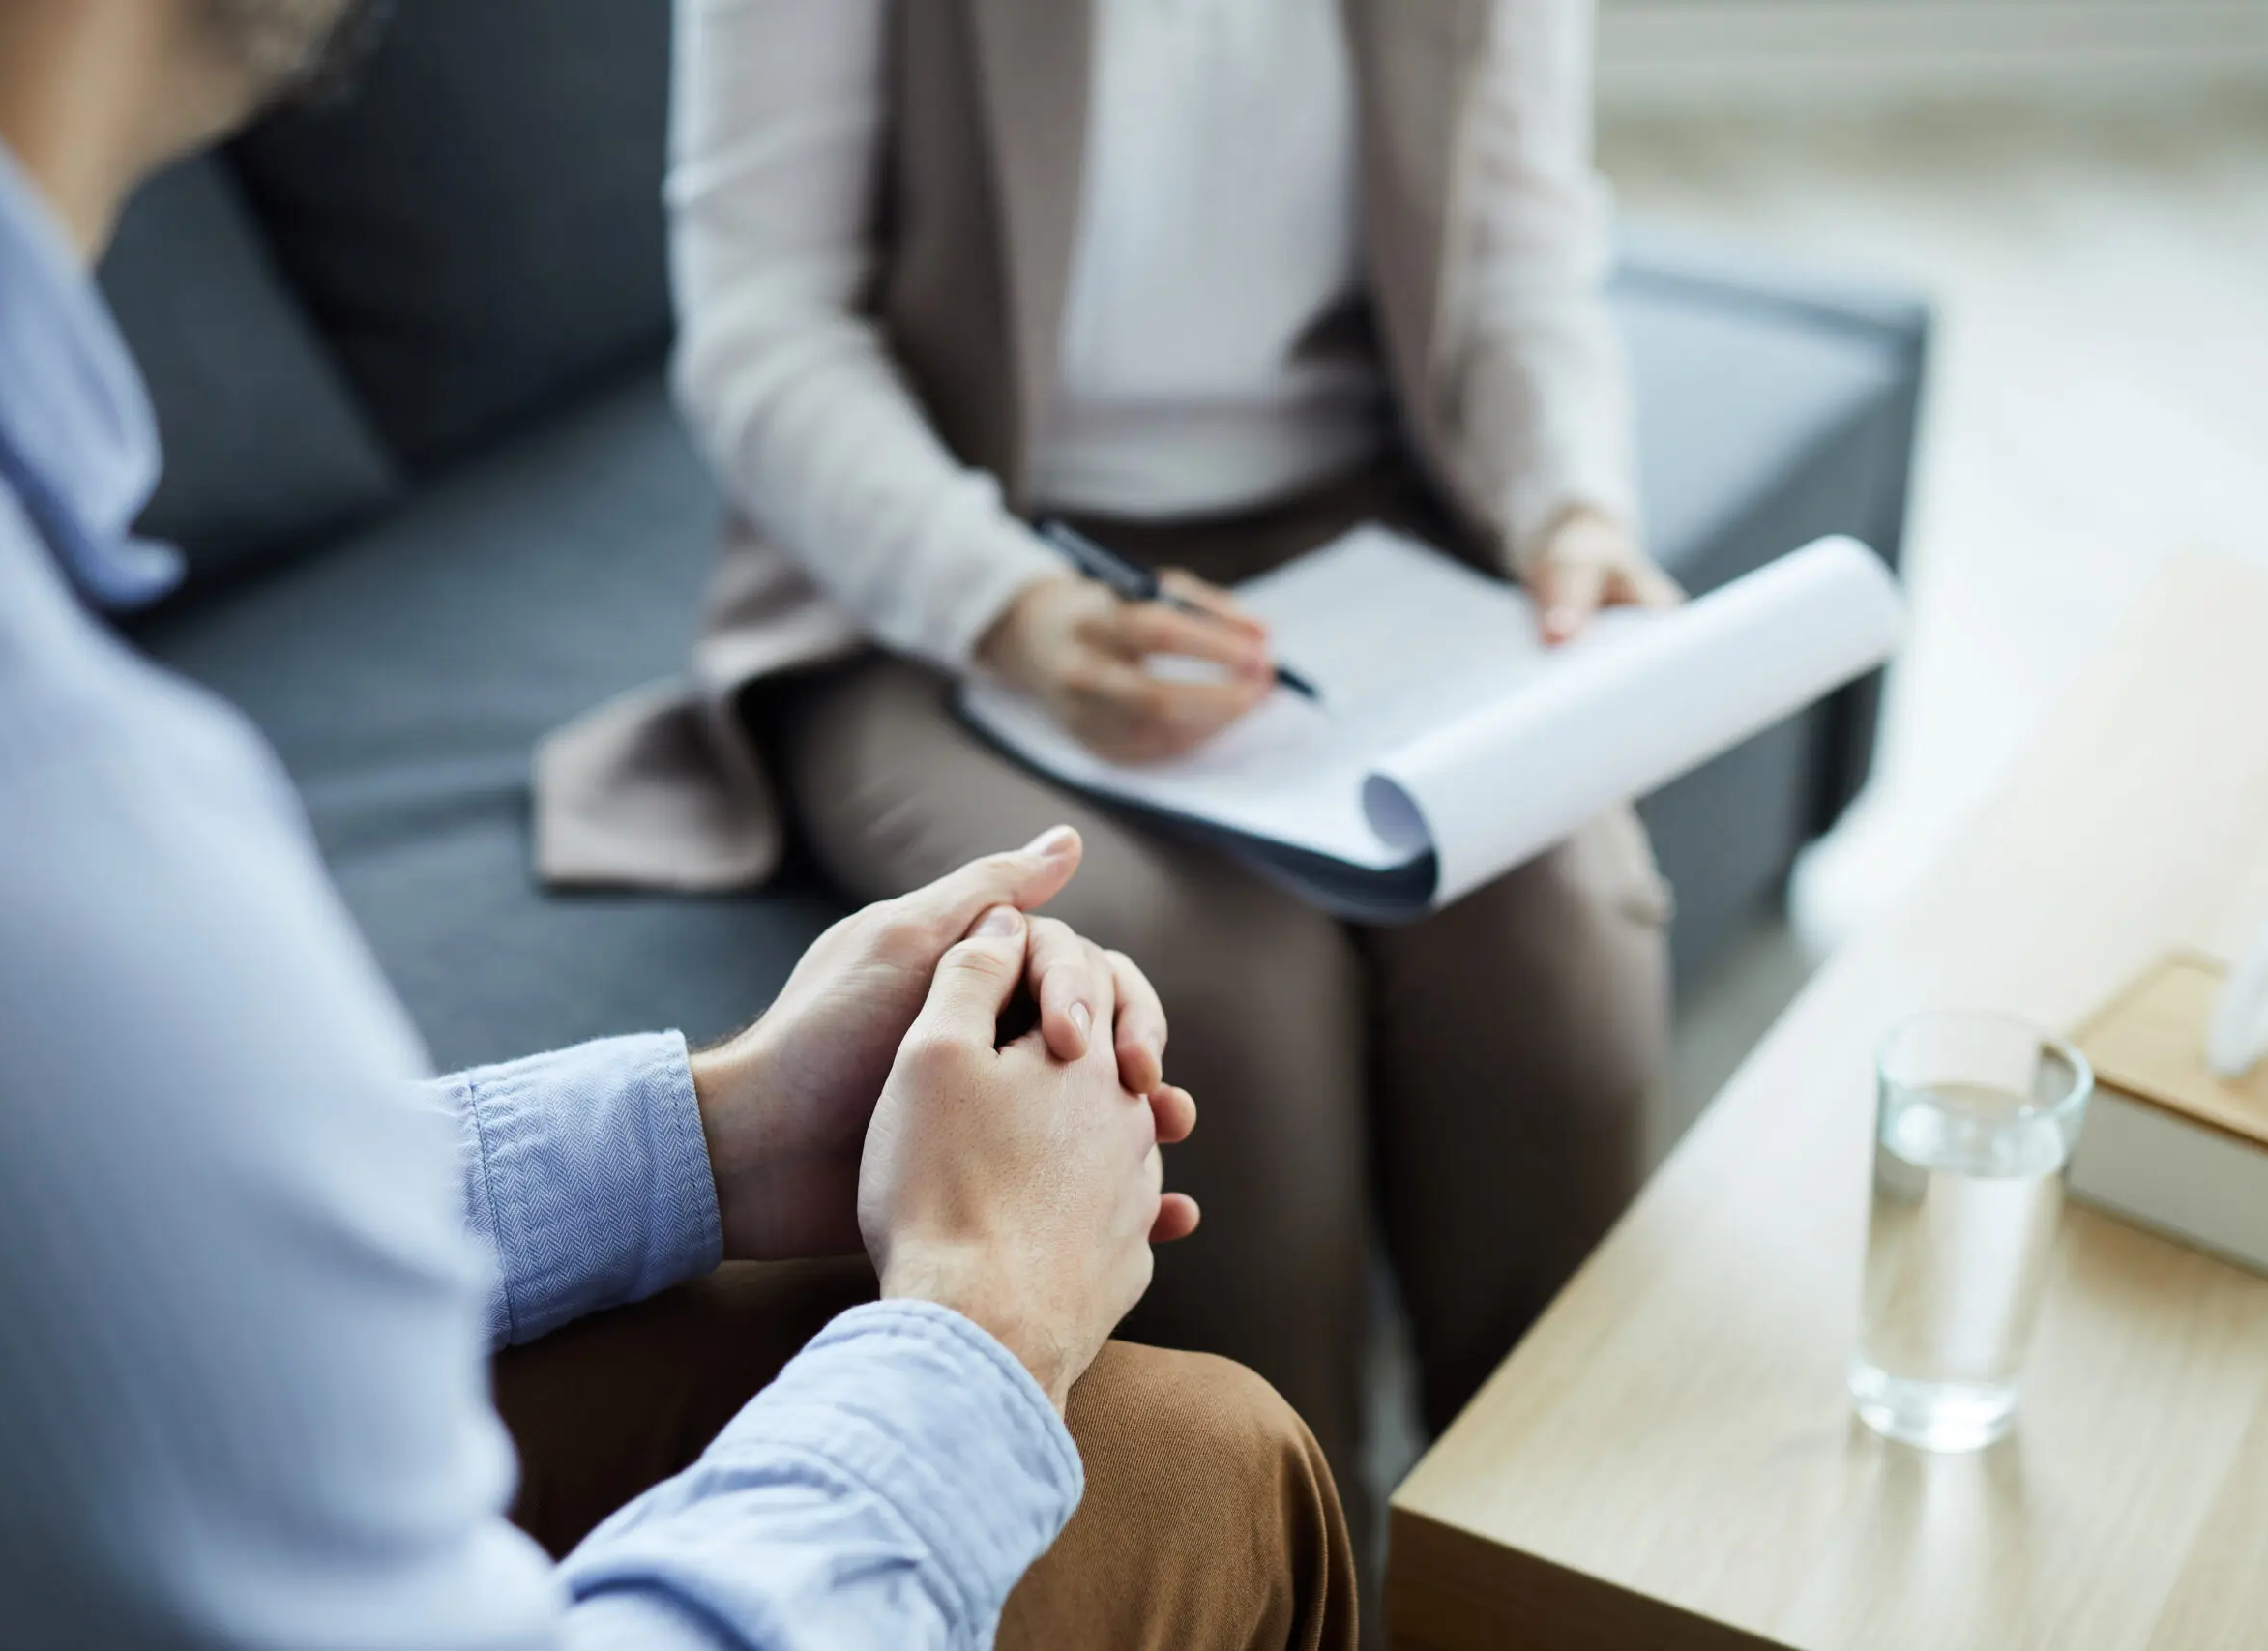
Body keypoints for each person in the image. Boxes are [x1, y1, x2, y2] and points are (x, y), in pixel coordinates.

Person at [0, 2, 1353, 1647]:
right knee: (1200, 1476)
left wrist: (710, 1133)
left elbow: (121, 1235)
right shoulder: (71, 825)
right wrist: (979, 1320)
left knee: (1191, 1452)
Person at [540, 0, 1681, 1523]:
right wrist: (1002, 603)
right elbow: (762, 323)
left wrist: (1572, 505)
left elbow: (1524, 252)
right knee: (1189, 1021)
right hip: (957, 573)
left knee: (1563, 977)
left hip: (1362, 546)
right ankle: (1290, 1574)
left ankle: (1545, 1578)